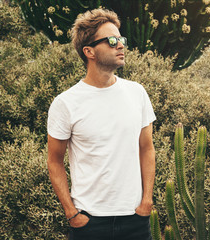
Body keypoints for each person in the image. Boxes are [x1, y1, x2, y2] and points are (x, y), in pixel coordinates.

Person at [47, 8, 156, 240]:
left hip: (135, 219)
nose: (120, 45)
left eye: (121, 39)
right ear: (89, 51)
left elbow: (146, 148)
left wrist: (146, 202)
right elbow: (55, 161)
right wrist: (71, 213)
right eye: (112, 40)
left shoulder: (137, 93)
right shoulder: (65, 103)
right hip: (89, 222)